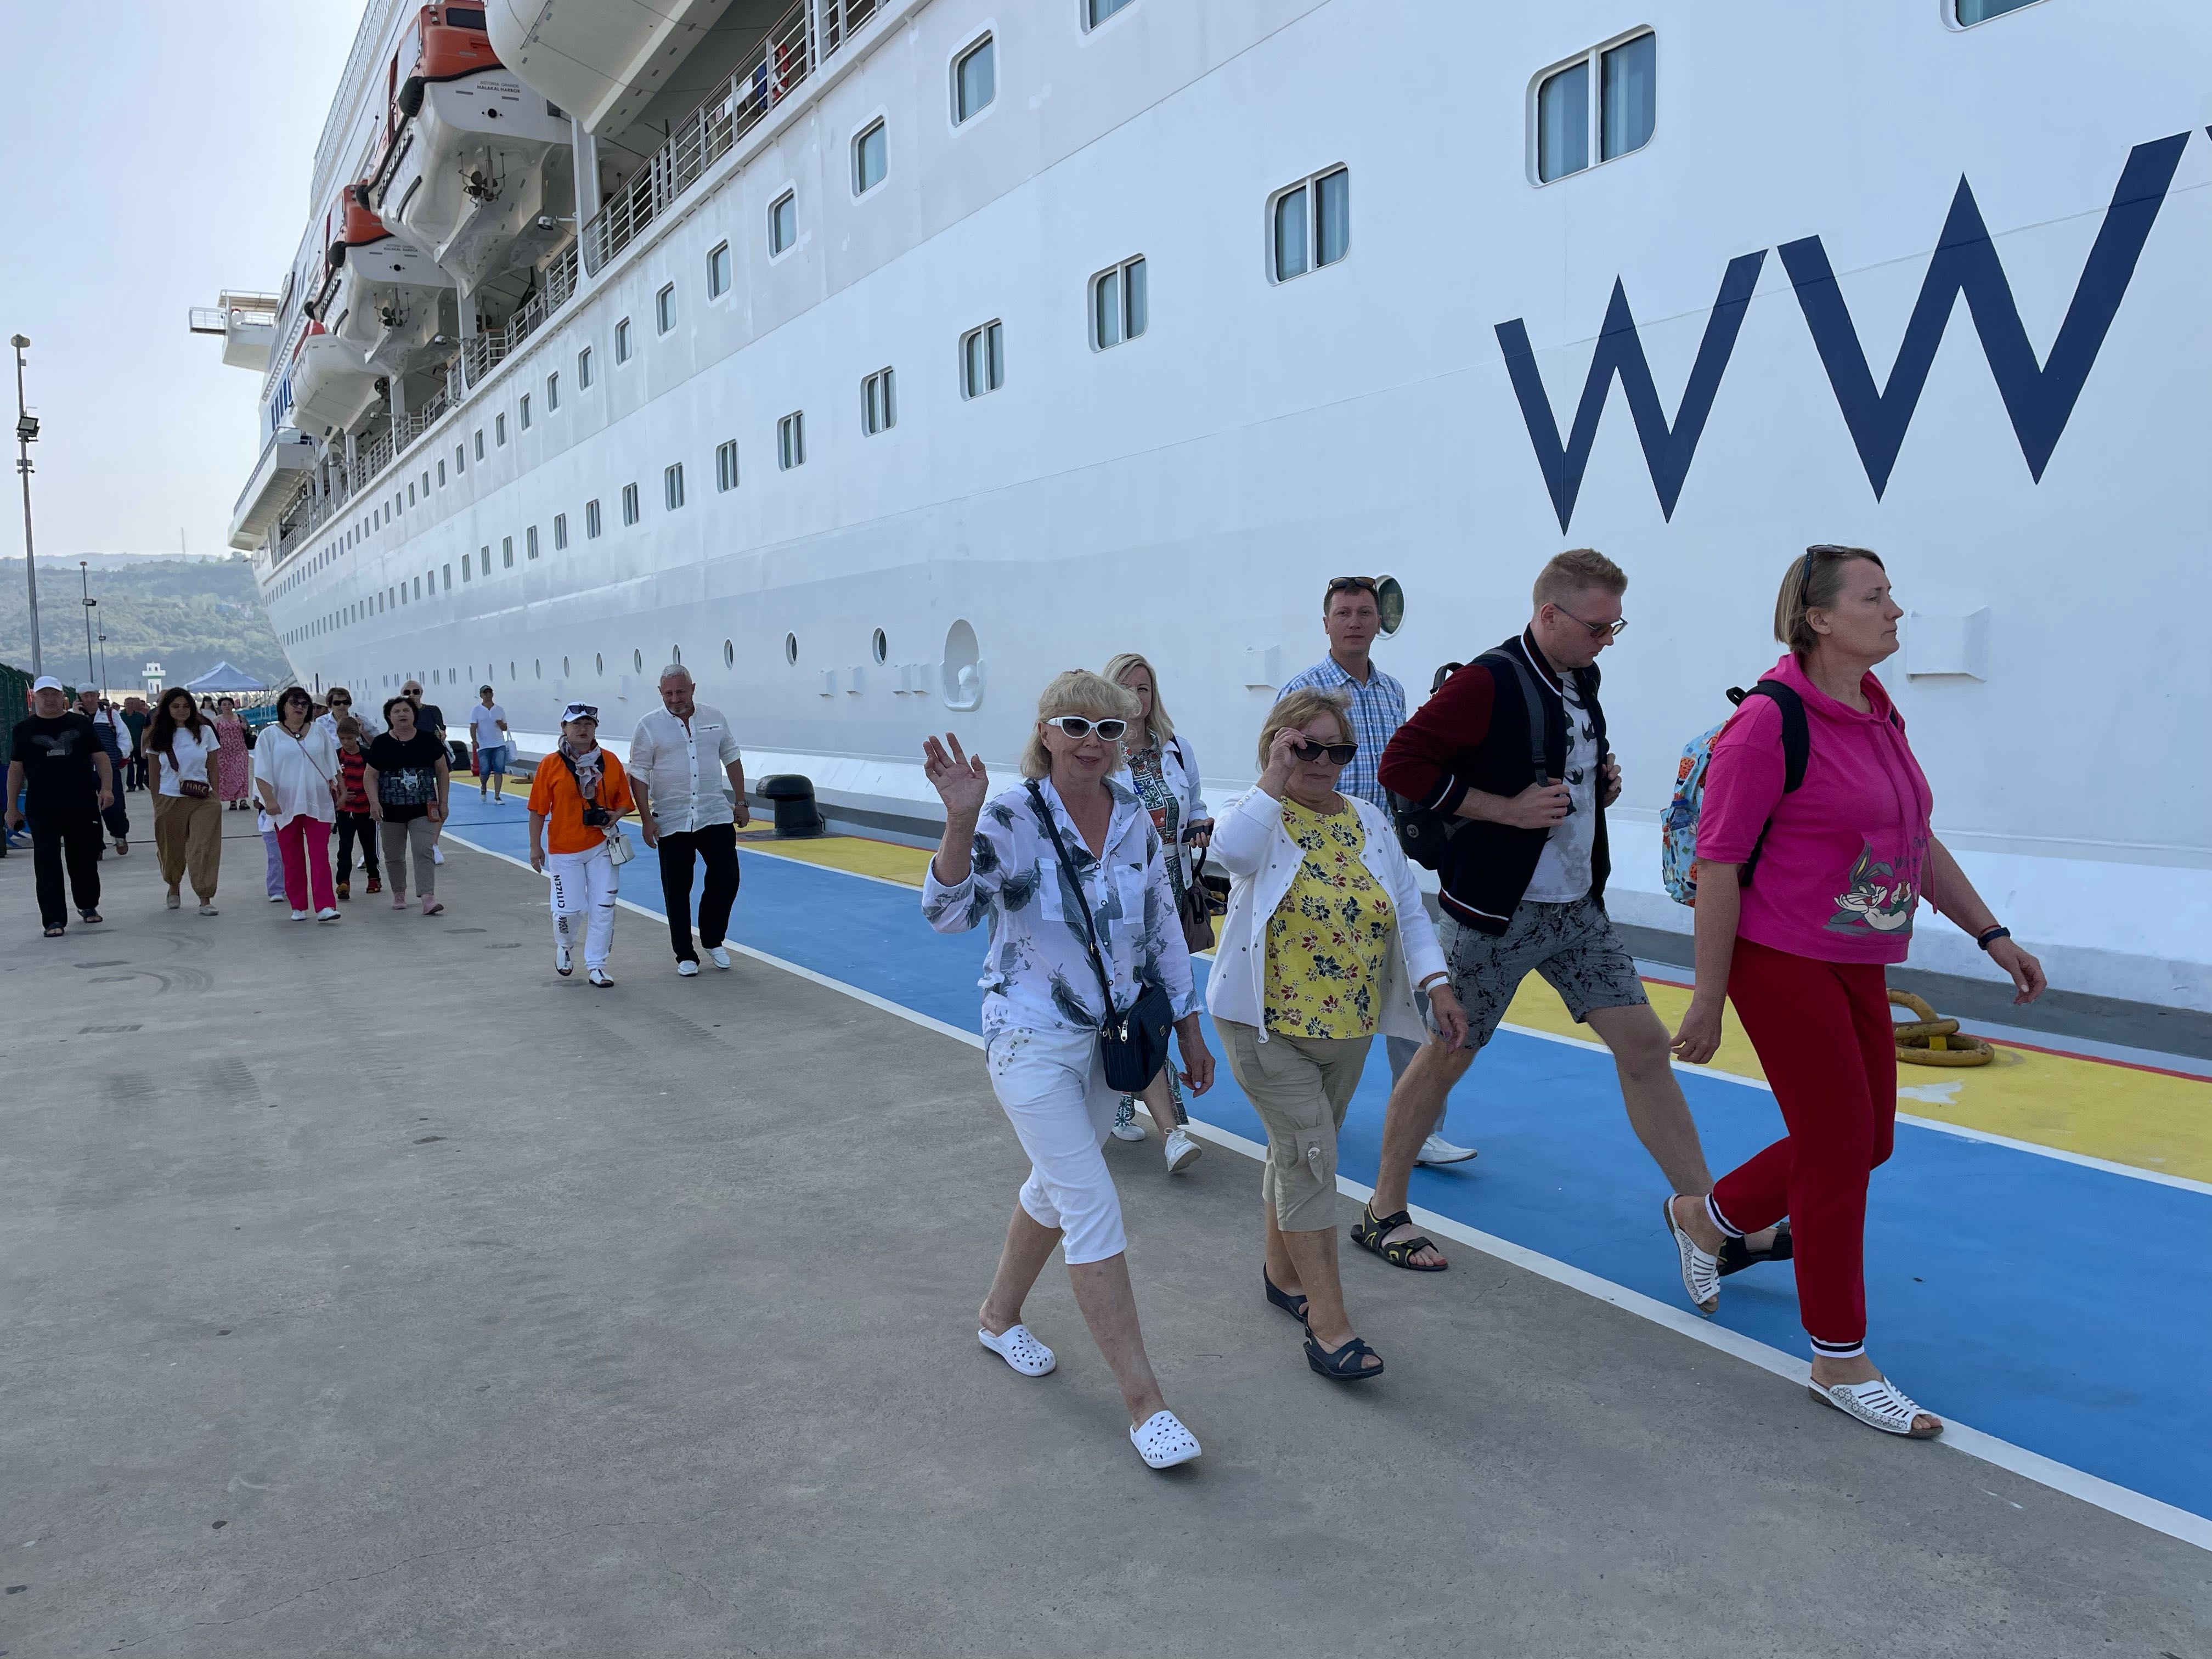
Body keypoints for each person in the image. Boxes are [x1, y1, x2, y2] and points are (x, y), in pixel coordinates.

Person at [1666, 546, 2046, 1439]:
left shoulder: (1875, 711)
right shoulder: (1768, 723)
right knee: (1837, 1142)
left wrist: (1991, 933)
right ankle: (1837, 1354)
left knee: (1866, 1136)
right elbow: (1719, 864)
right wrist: (1707, 998)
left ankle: (1705, 1216)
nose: (1896, 609)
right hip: (1778, 955)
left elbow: (1914, 838)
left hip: (1856, 956)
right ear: (1818, 617)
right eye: (1875, 596)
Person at [1371, 549, 1743, 1272]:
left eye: (1615, 627)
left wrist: (1594, 782)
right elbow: (1402, 764)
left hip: (1577, 909)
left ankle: (1703, 1215)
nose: (1608, 641)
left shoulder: (1581, 676)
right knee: (1447, 1054)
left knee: (1642, 1048)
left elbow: (1549, 756)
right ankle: (1384, 1207)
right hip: (1494, 915)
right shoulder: (1489, 680)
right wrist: (1501, 809)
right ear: (1549, 615)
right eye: (1599, 627)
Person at [921, 671, 1216, 1470]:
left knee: (1051, 1189)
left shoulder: (1134, 822)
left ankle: (996, 1315)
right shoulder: (1010, 815)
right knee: (1090, 1202)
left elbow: (1161, 931)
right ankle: (1145, 1405)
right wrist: (958, 823)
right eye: (1076, 725)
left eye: (1110, 729)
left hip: (1107, 1040)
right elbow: (947, 915)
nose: (1094, 742)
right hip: (1028, 1038)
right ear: (1046, 733)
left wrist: (1190, 1030)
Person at [1209, 687, 1470, 1381]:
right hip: (1265, 1025)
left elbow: (1410, 914)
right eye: (1305, 747)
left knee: (1296, 1153)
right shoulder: (1258, 815)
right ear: (1278, 744)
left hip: (1348, 1027)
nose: (1322, 762)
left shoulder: (1369, 819)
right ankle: (1329, 1324)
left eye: (1337, 750)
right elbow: (1229, 856)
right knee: (1313, 1157)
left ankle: (1280, 1275)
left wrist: (1436, 984)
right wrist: (1274, 776)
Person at [1280, 577, 1476, 1168]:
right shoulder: (1302, 691)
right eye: (1343, 612)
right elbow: (1276, 772)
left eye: (1365, 612)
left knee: (1411, 995)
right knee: (1314, 992)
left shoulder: (1392, 692)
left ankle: (1419, 1128)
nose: (1355, 622)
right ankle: (1302, 1114)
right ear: (1326, 623)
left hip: (1379, 858)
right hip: (1316, 866)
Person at [1101, 651, 1212, 1173]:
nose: (1136, 698)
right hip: (1125, 894)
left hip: (1172, 884)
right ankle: (1146, 1108)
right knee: (1133, 996)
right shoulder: (1100, 752)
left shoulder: (1176, 748)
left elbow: (1195, 805)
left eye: (1144, 688)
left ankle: (1130, 1097)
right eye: (1126, 688)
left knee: (1163, 994)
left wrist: (1200, 827)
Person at [630, 665, 746, 977]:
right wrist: (645, 820)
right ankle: (685, 953)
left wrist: (741, 801)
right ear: (660, 693)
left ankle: (712, 938)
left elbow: (731, 756)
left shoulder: (714, 717)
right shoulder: (649, 725)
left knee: (727, 877)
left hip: (714, 812)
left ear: (693, 688)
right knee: (678, 888)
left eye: (680, 691)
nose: (675, 698)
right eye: (668, 693)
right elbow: (639, 773)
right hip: (671, 818)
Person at [528, 703, 633, 987]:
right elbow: (538, 810)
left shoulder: (610, 761)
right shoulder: (550, 764)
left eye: (588, 723)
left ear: (596, 727)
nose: (583, 729)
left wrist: (615, 816)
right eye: (576, 724)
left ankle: (597, 965)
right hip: (564, 850)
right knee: (569, 910)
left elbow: (625, 801)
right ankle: (565, 945)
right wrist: (535, 848)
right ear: (564, 728)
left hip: (602, 846)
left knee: (604, 906)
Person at [6, 675, 113, 936]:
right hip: (42, 806)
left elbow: (100, 758)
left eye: (54, 694)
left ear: (62, 697)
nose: (50, 699)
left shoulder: (81, 724)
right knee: (46, 862)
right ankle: (53, 919)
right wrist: (11, 807)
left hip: (81, 802)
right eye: (44, 695)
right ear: (35, 698)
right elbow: (16, 769)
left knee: (83, 858)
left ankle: (88, 905)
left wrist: (107, 788)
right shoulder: (24, 729)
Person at [252, 685, 343, 922]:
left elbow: (333, 766)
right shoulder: (269, 736)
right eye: (295, 703)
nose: (300, 707)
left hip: (317, 801)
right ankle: (298, 906)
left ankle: (325, 906)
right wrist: (269, 800)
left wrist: (342, 793)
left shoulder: (319, 732)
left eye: (304, 704)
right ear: (283, 706)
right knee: (291, 857)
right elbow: (261, 772)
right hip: (285, 804)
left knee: (320, 855)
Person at [364, 695, 449, 915]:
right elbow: (370, 776)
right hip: (390, 810)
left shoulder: (429, 741)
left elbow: (442, 771)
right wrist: (374, 803)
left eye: (406, 711)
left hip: (423, 808)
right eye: (397, 712)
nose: (402, 714)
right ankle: (399, 893)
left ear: (414, 715)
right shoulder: (381, 744)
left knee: (424, 850)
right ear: (389, 717)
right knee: (394, 855)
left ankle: (428, 897)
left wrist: (444, 803)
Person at [144, 685, 223, 915]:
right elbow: (154, 773)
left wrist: (216, 794)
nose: (181, 710)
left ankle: (205, 897)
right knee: (171, 848)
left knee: (204, 846)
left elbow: (213, 766)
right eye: (176, 706)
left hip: (202, 797)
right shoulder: (157, 735)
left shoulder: (205, 732)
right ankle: (173, 885)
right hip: (170, 798)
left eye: (186, 706)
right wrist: (156, 803)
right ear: (167, 709)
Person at [332, 716, 381, 900]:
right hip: (345, 810)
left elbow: (376, 779)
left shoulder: (367, 756)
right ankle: (343, 882)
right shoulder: (336, 757)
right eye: (342, 739)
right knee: (344, 847)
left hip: (366, 809)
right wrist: (339, 795)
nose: (346, 742)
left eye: (349, 738)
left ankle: (374, 878)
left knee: (369, 846)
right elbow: (331, 781)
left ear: (357, 736)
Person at [400, 680, 449, 865]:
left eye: (416, 691)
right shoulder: (401, 712)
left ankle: (434, 844)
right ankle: (423, 843)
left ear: (422, 692)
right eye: (407, 692)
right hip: (412, 764)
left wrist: (442, 735)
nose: (412, 694)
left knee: (438, 802)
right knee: (418, 807)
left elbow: (442, 730)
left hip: (435, 760)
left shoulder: (432, 711)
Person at [80, 690, 131, 854]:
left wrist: (120, 754)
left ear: (97, 696)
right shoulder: (73, 717)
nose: (89, 699)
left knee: (114, 805)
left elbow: (124, 736)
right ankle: (96, 846)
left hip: (108, 768)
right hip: (83, 771)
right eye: (85, 696)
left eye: (92, 695)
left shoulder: (110, 715)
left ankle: (119, 835)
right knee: (88, 809)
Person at [469, 685, 511, 802]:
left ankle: (497, 796)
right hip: (483, 745)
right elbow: (473, 727)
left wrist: (501, 724)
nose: (488, 695)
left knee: (499, 770)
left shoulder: (499, 709)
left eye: (490, 692)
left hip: (499, 744)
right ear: (481, 695)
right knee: (485, 770)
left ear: (493, 694)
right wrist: (475, 741)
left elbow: (505, 727)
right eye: (485, 693)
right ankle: (483, 786)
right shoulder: (476, 710)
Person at [211, 696, 252, 810]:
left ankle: (243, 799)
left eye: (229, 704)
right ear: (220, 707)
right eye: (224, 705)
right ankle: (232, 800)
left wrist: (245, 728)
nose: (227, 707)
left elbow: (249, 730)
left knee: (242, 774)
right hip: (224, 752)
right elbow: (213, 735)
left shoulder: (240, 717)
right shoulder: (217, 720)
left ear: (233, 706)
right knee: (228, 776)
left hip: (240, 749)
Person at [314, 686, 381, 748]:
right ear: (330, 705)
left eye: (345, 702)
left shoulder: (360, 719)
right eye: (337, 703)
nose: (342, 705)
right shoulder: (320, 722)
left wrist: (363, 732)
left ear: (349, 704)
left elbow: (379, 746)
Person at [121, 696, 149, 792]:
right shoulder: (121, 717)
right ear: (125, 704)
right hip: (127, 745)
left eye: (131, 704)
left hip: (138, 744)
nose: (130, 705)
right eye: (128, 704)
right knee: (129, 766)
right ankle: (131, 785)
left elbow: (145, 730)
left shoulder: (140, 717)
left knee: (141, 765)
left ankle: (140, 783)